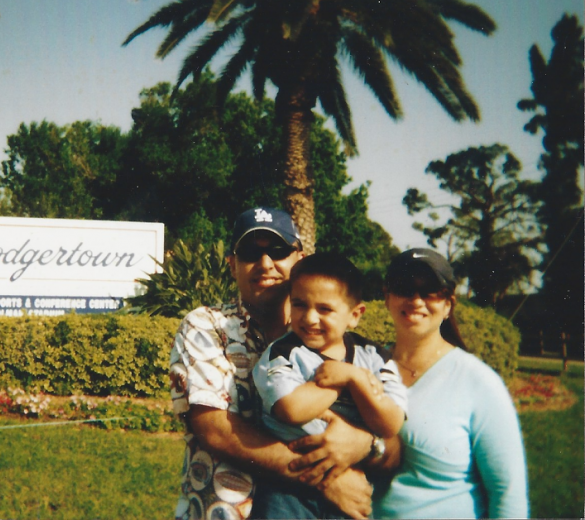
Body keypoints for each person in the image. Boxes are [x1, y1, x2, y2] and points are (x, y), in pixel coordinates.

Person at [169, 207, 379, 520]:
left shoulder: (332, 338)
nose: (265, 263)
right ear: (232, 264)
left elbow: (385, 419)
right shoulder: (206, 326)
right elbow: (216, 430)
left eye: (279, 251)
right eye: (251, 252)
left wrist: (367, 442)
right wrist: (324, 477)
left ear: (300, 260)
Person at [373, 248, 529, 518]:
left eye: (430, 291)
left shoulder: (480, 382)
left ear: (448, 305)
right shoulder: (365, 366)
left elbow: (508, 494)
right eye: (404, 287)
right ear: (387, 297)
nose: (416, 300)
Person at [251, 253, 408, 519]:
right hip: (289, 491)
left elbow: (390, 423)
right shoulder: (284, 352)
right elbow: (291, 409)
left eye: (325, 309)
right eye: (300, 305)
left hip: (351, 487)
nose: (310, 318)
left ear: (354, 315)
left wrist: (355, 378)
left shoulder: (373, 356)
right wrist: (340, 383)